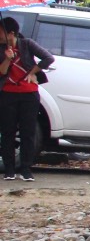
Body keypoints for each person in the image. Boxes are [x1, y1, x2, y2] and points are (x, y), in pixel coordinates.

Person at [0, 16, 55, 182]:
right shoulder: (1, 49)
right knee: (7, 132)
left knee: (28, 132)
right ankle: (9, 169)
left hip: (29, 94)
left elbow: (48, 58)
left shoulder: (27, 44)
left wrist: (32, 72)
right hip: (8, 93)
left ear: (11, 33)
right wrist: (7, 59)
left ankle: (26, 168)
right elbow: (2, 72)